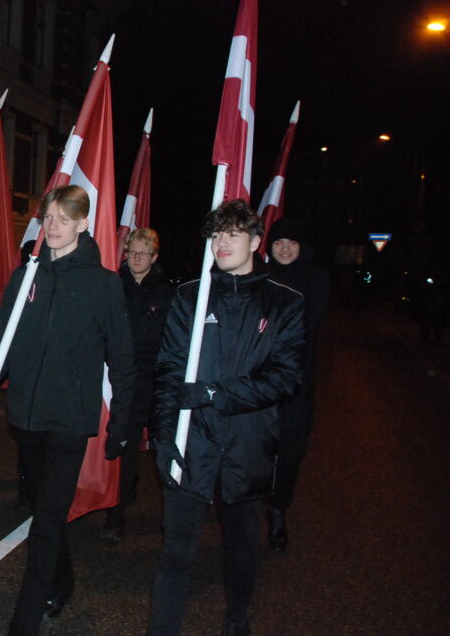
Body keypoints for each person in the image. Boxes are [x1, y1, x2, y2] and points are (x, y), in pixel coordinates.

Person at [0, 185, 135, 635]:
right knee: (45, 509)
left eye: (64, 219)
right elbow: (0, 342)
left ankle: (25, 619)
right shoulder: (27, 277)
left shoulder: (103, 284)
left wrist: (122, 420)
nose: (53, 226)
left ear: (83, 223)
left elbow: (122, 357)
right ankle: (62, 580)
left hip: (69, 420)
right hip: (25, 415)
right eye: (49, 218)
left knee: (45, 522)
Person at [148, 200, 305, 636]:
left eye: (233, 234)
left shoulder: (284, 303)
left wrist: (215, 393)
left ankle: (236, 619)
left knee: (241, 551)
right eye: (216, 235)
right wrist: (163, 436)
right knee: (176, 554)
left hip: (247, 448)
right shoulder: (190, 297)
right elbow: (168, 372)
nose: (222, 243)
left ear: (255, 242)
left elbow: (285, 379)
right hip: (192, 444)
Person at [101, 228, 174, 542]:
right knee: (125, 446)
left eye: (143, 253)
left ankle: (174, 516)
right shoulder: (114, 287)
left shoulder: (167, 293)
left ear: (154, 256)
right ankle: (116, 514)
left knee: (165, 448)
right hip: (124, 378)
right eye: (132, 252)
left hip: (156, 379)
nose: (137, 258)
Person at [265, 217, 330, 551]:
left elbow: (307, 325)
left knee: (289, 453)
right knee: (255, 450)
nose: (285, 248)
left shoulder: (315, 279)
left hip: (294, 383)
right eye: (278, 242)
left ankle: (278, 509)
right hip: (258, 381)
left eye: (292, 242)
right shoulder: (260, 277)